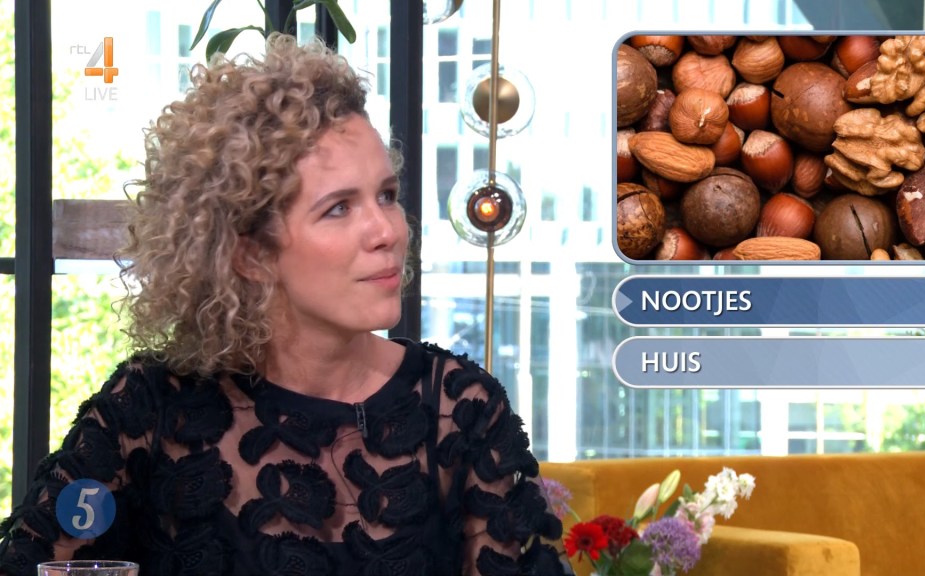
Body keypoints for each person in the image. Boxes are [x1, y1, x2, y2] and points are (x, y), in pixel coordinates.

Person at [0, 33, 570, 576]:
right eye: (339, 208)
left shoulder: (459, 410)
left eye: (387, 195)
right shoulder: (150, 411)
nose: (388, 231)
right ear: (249, 253)